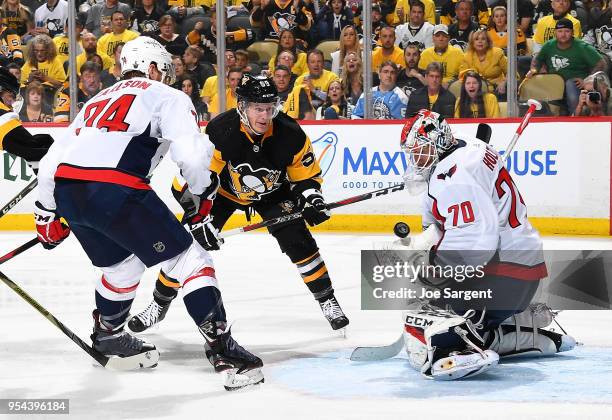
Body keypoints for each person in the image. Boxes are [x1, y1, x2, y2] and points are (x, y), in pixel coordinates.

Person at [34, 37, 264, 390]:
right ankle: (226, 354)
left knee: (122, 265)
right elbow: (190, 156)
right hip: (115, 188)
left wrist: (46, 213)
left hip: (68, 189)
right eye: (165, 70)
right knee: (191, 261)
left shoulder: (96, 100)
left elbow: (52, 162)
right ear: (153, 67)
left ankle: (108, 335)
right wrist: (203, 196)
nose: (168, 77)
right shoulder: (167, 96)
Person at [128, 73, 350, 335]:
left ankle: (327, 300)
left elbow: (306, 178)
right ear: (242, 106)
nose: (265, 116)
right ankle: (159, 304)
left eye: (269, 109)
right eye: (258, 109)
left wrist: (312, 199)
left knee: (298, 240)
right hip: (221, 193)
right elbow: (192, 183)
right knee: (186, 246)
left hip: (274, 194)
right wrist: (200, 218)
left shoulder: (290, 133)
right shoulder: (222, 131)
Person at [396, 109, 575, 379]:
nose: (415, 158)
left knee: (424, 311)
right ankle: (512, 330)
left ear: (439, 143)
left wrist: (431, 267)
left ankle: (455, 349)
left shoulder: (453, 179)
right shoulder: (469, 144)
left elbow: (473, 242)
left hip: (504, 277)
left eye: (420, 150)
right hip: (522, 273)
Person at [526, 18, 606, 115]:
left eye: (567, 31)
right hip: (554, 83)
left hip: (575, 84)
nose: (563, 34)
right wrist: (533, 70)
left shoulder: (582, 47)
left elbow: (601, 63)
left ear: (572, 32)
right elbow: (537, 59)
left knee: (570, 84)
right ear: (555, 32)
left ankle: (575, 118)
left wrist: (587, 80)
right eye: (560, 31)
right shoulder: (549, 45)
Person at [0, 66, 54, 170]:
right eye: (11, 95)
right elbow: (28, 150)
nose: (12, 102)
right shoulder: (3, 117)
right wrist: (59, 151)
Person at [460, 29, 509, 97]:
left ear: (488, 42)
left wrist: (504, 83)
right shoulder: (466, 57)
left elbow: (511, 72)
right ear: (472, 42)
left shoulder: (497, 53)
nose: (480, 41)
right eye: (476, 39)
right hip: (475, 90)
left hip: (497, 89)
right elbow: (463, 77)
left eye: (483, 39)